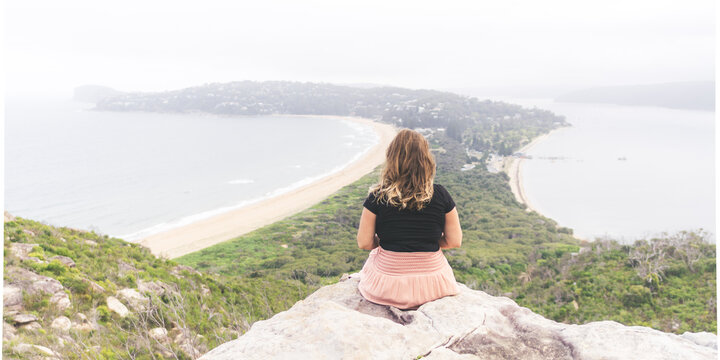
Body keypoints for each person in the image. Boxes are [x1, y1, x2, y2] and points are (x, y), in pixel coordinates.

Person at [356, 129, 462, 310]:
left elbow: (364, 243)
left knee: (374, 257)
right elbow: (455, 241)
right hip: (434, 285)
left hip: (387, 287)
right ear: (426, 160)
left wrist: (389, 241)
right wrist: (424, 241)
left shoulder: (377, 196)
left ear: (391, 159)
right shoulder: (441, 194)